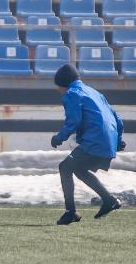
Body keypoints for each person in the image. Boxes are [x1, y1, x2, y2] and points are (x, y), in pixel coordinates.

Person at [50, 63, 124, 225]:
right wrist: (118, 140)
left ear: (63, 83)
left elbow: (73, 121)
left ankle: (71, 212)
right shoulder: (94, 92)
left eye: (58, 86)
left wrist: (59, 137)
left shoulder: (72, 93)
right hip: (107, 139)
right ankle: (109, 200)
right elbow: (118, 119)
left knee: (65, 167)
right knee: (79, 169)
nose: (58, 90)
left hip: (95, 140)